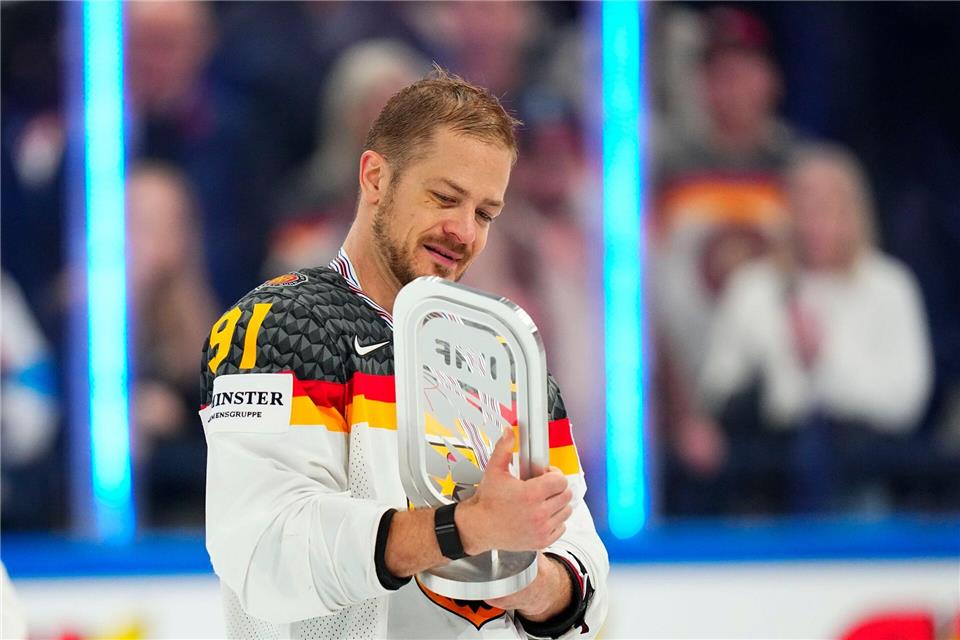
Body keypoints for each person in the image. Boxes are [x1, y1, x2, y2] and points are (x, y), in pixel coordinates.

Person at [200, 70, 608, 638]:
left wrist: (520, 578)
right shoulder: (283, 325)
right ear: (374, 177)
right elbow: (265, 553)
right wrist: (462, 530)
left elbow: (582, 562)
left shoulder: (507, 355)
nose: (464, 230)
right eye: (444, 198)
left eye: (485, 213)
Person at [697, 144, 933, 513]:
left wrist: (826, 358)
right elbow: (717, 387)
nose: (813, 222)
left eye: (827, 208)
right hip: (769, 475)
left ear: (854, 212)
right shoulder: (753, 288)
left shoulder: (889, 287)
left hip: (860, 472)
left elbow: (905, 400)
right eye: (803, 207)